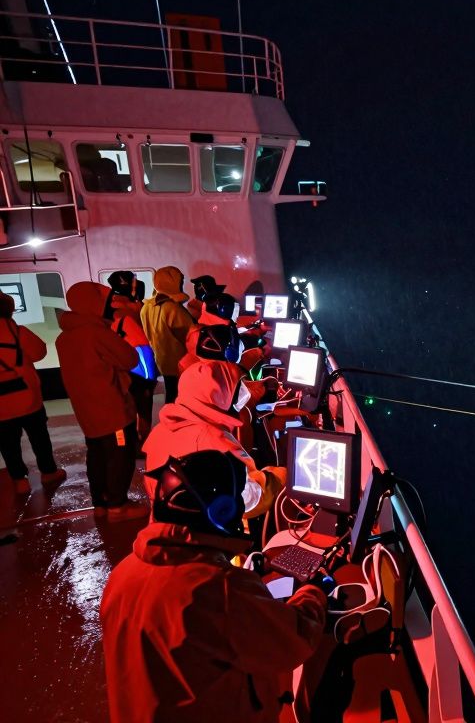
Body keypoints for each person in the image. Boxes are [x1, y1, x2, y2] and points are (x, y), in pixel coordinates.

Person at [100, 450, 328, 723]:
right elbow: (294, 639)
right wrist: (314, 591)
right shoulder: (218, 588)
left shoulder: (123, 573)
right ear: (222, 511)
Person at [142, 358, 278, 520]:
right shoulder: (217, 441)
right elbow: (246, 500)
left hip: (166, 519)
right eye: (234, 389)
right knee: (280, 476)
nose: (241, 393)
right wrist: (271, 479)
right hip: (205, 524)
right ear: (219, 395)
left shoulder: (161, 428)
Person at [56, 281, 147, 520]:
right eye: (107, 302)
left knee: (96, 455)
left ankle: (101, 502)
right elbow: (130, 359)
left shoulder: (64, 337)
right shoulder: (97, 333)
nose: (111, 306)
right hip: (112, 409)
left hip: (87, 410)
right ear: (94, 304)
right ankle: (118, 506)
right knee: (120, 456)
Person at [0, 292, 65, 493]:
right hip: (28, 397)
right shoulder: (18, 332)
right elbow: (39, 353)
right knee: (39, 437)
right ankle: (48, 472)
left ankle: (19, 480)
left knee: (8, 444)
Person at [107, 271, 158, 446]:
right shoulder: (128, 313)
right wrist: (150, 377)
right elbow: (142, 345)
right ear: (128, 286)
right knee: (142, 406)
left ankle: (127, 442)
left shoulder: (110, 308)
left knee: (125, 407)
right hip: (138, 367)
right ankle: (141, 443)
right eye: (135, 284)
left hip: (120, 366)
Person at [140, 266, 193, 404]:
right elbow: (191, 335)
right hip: (179, 362)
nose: (181, 283)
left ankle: (168, 416)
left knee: (170, 393)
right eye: (180, 280)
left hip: (161, 360)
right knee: (179, 397)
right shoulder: (173, 308)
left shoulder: (146, 307)